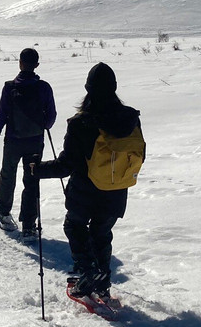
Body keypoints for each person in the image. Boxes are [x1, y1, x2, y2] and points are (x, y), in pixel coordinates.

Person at [34, 62, 142, 301]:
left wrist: (36, 169)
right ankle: (102, 282)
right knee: (102, 233)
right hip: (116, 189)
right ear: (114, 87)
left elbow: (65, 166)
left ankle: (88, 272)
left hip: (85, 192)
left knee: (74, 227)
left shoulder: (81, 123)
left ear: (88, 89)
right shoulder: (131, 119)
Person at [0, 47, 56, 234]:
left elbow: (2, 114)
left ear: (20, 63)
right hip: (35, 141)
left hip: (13, 140)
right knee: (32, 179)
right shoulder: (44, 88)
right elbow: (51, 117)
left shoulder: (10, 87)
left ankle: (2, 211)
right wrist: (42, 125)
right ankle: (29, 223)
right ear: (37, 65)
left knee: (8, 175)